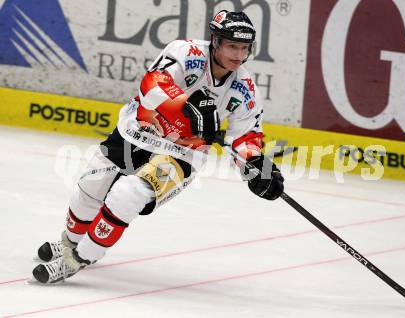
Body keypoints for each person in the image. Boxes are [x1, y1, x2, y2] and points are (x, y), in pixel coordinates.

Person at [32, 10, 285, 284]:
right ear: (215, 42)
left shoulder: (245, 90)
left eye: (244, 48)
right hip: (140, 131)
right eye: (232, 46)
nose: (238, 55)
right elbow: (151, 86)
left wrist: (254, 164)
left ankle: (78, 259)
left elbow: (244, 137)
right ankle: (70, 243)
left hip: (183, 153)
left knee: (127, 194)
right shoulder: (185, 52)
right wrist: (188, 109)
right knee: (89, 190)